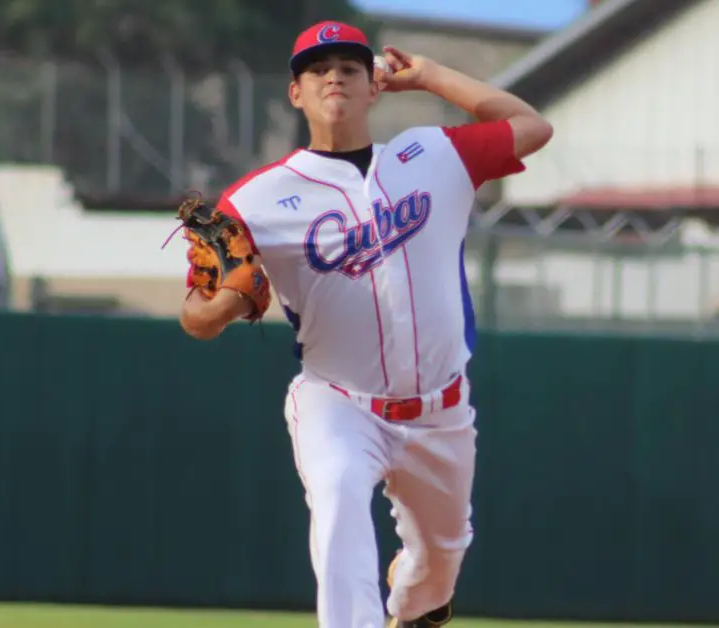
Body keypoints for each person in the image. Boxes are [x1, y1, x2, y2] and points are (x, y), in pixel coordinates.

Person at [177, 19, 553, 628]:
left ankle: (413, 604)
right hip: (339, 402)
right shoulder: (255, 200)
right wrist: (222, 306)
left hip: (441, 410)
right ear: (295, 93)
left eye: (350, 67)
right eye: (318, 69)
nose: (335, 76)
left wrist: (430, 76)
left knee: (436, 573)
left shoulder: (433, 155)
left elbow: (534, 127)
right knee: (339, 500)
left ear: (374, 87)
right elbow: (195, 315)